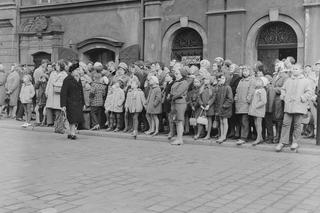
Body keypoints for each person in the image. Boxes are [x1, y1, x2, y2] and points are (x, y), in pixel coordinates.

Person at [276, 64, 312, 151]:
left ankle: (295, 142)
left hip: (299, 106)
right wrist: (283, 96)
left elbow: (309, 92)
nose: (294, 70)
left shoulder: (305, 81)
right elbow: (283, 89)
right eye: (293, 69)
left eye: (296, 69)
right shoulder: (288, 80)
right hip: (288, 106)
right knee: (285, 124)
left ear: (301, 70)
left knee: (297, 125)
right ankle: (283, 142)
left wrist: (302, 98)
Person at [60, 63, 85, 140]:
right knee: (72, 118)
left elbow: (81, 91)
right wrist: (63, 105)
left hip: (78, 102)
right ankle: (73, 133)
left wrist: (83, 103)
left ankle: (70, 133)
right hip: (70, 102)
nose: (79, 71)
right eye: (77, 70)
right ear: (73, 71)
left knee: (74, 118)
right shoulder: (67, 79)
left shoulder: (78, 79)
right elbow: (63, 93)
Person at [169, 65, 190, 145]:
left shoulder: (184, 82)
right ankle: (178, 138)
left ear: (182, 74)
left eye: (177, 74)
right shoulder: (177, 82)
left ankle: (180, 139)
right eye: (175, 73)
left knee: (180, 121)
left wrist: (171, 96)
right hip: (175, 102)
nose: (176, 75)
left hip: (180, 102)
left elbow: (178, 93)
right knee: (177, 121)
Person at [234, 66, 255, 145]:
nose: (244, 72)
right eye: (243, 71)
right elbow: (237, 91)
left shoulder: (251, 80)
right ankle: (247, 135)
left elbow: (251, 91)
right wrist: (236, 98)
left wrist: (248, 100)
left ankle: (243, 137)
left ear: (250, 72)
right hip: (239, 104)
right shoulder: (241, 80)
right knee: (241, 121)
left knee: (244, 121)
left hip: (246, 104)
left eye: (246, 71)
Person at [45, 60, 68, 126]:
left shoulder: (64, 74)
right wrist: (46, 91)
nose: (56, 66)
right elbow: (49, 82)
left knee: (58, 108)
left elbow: (65, 84)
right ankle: (50, 122)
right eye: (56, 65)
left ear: (61, 66)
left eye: (58, 65)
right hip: (51, 92)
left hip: (59, 93)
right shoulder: (52, 73)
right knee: (49, 107)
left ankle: (58, 123)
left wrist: (57, 84)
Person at [194, 76, 216, 140]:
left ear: (210, 80)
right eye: (205, 79)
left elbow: (213, 97)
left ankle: (208, 134)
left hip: (209, 107)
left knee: (209, 121)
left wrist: (209, 104)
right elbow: (199, 97)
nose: (205, 81)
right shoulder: (201, 88)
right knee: (200, 120)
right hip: (202, 107)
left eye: (207, 79)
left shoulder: (212, 88)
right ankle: (198, 134)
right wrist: (201, 104)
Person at [215, 74, 233, 144]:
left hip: (225, 108)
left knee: (224, 121)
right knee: (221, 122)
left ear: (226, 79)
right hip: (220, 108)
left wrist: (224, 106)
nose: (221, 80)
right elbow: (217, 99)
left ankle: (224, 136)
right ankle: (221, 135)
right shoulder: (219, 87)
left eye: (223, 78)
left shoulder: (228, 87)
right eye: (220, 78)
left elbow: (230, 99)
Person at [248, 77, 267, 146]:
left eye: (260, 81)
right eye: (257, 81)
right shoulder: (255, 90)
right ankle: (260, 137)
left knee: (259, 124)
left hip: (259, 110)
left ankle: (258, 138)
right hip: (254, 110)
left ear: (263, 83)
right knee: (256, 123)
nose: (257, 82)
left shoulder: (262, 90)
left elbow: (263, 101)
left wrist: (256, 106)